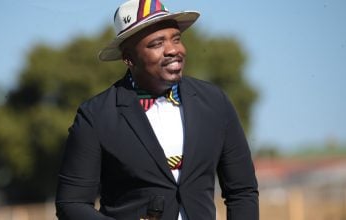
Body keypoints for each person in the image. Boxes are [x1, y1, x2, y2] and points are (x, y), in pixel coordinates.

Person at [55, 0, 259, 219]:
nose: (173, 50)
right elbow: (71, 204)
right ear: (128, 58)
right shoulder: (96, 116)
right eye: (156, 44)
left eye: (176, 39)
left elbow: (242, 191)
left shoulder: (214, 102)